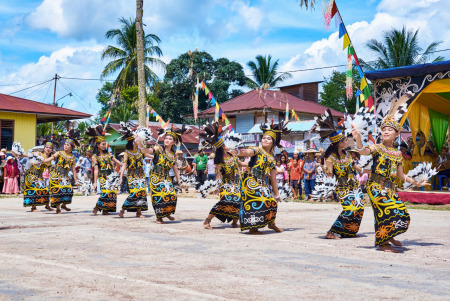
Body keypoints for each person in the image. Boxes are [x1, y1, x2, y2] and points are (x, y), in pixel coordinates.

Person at [353, 102, 429, 253]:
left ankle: (389, 236)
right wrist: (358, 139)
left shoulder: (398, 153)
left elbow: (401, 175)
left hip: (390, 189)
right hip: (375, 187)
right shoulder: (377, 147)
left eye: (390, 130)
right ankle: (384, 243)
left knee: (403, 215)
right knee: (388, 213)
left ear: (396, 134)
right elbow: (363, 152)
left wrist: (418, 183)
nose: (386, 132)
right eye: (384, 130)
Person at [228, 121, 289, 234]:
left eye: (268, 138)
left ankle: (271, 224)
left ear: (273, 143)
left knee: (272, 202)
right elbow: (248, 152)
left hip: (261, 182)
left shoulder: (272, 158)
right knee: (258, 202)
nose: (265, 140)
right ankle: (253, 228)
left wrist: (276, 194)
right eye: (264, 137)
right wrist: (238, 152)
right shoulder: (257, 149)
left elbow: (273, 178)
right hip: (250, 180)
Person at [314, 112, 365, 239]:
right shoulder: (331, 158)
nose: (347, 141)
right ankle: (331, 232)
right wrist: (324, 169)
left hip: (354, 185)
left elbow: (356, 167)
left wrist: (367, 169)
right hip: (342, 187)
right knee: (350, 209)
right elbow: (329, 175)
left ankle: (348, 231)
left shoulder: (347, 154)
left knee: (359, 208)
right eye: (345, 140)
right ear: (340, 143)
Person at [137, 124, 191, 224]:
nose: (167, 140)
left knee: (172, 195)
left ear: (174, 142)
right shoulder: (159, 149)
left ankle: (166, 213)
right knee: (160, 196)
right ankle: (159, 218)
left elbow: (174, 167)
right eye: (166, 138)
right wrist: (140, 144)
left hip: (166, 177)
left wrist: (179, 181)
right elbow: (145, 151)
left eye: (170, 139)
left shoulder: (173, 154)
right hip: (156, 176)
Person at [200, 122, 246, 229]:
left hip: (236, 183)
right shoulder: (218, 160)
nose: (227, 146)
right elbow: (219, 174)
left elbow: (242, 164)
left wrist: (253, 163)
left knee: (238, 202)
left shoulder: (233, 156)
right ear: (221, 147)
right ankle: (207, 221)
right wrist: (216, 187)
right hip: (225, 184)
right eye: (224, 144)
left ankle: (234, 222)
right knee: (225, 202)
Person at [85, 125, 123, 216]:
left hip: (111, 176)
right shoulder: (94, 157)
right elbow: (95, 170)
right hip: (102, 176)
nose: (105, 145)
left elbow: (117, 162)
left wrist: (123, 165)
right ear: (98, 145)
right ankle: (97, 207)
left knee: (112, 193)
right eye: (102, 144)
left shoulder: (109, 154)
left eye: (105, 143)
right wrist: (95, 182)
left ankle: (105, 210)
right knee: (106, 193)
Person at [42, 130, 80, 214]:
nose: (65, 146)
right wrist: (42, 161)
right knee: (57, 191)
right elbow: (51, 158)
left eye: (67, 145)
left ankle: (64, 205)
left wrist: (76, 181)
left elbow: (73, 170)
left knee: (69, 190)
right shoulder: (59, 153)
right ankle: (58, 208)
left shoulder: (72, 157)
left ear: (72, 147)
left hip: (65, 175)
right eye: (65, 144)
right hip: (55, 174)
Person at [117, 122, 149, 218]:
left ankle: (139, 212)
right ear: (132, 142)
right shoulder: (127, 152)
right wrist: (121, 177)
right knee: (135, 193)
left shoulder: (140, 151)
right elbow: (124, 165)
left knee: (142, 193)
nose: (138, 141)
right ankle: (123, 209)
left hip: (141, 174)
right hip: (131, 175)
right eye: (136, 140)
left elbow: (149, 155)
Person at [23, 139, 57, 212]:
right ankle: (33, 207)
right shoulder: (38, 154)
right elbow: (29, 155)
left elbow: (49, 168)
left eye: (50, 148)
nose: (48, 149)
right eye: (47, 147)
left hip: (40, 176)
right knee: (34, 191)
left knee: (46, 190)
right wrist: (20, 154)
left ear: (52, 150)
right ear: (44, 148)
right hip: (31, 174)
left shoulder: (49, 159)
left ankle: (47, 205)